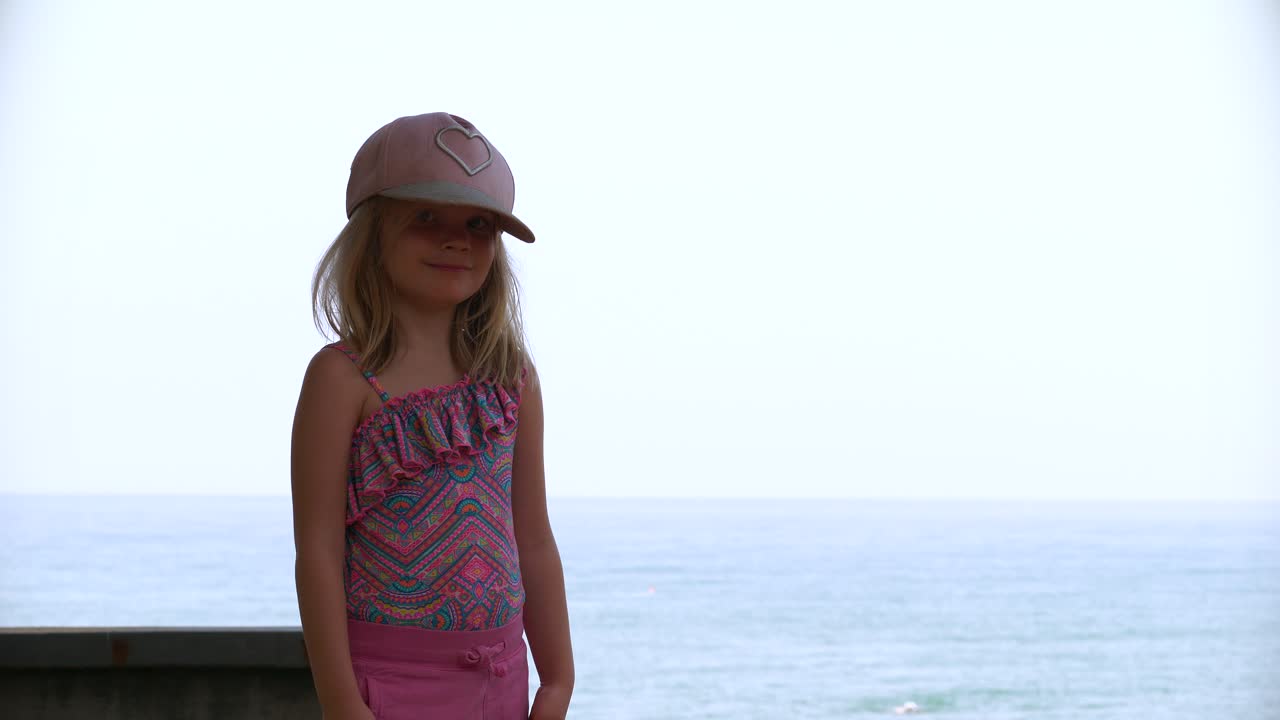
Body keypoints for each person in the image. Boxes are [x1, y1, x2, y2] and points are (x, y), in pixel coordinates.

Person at [290, 112, 574, 720]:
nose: (457, 240)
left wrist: (557, 679)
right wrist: (342, 703)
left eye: (478, 224)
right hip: (388, 683)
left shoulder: (511, 378)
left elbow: (534, 538)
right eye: (426, 218)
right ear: (372, 234)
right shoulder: (343, 379)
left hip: (502, 677)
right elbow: (317, 550)